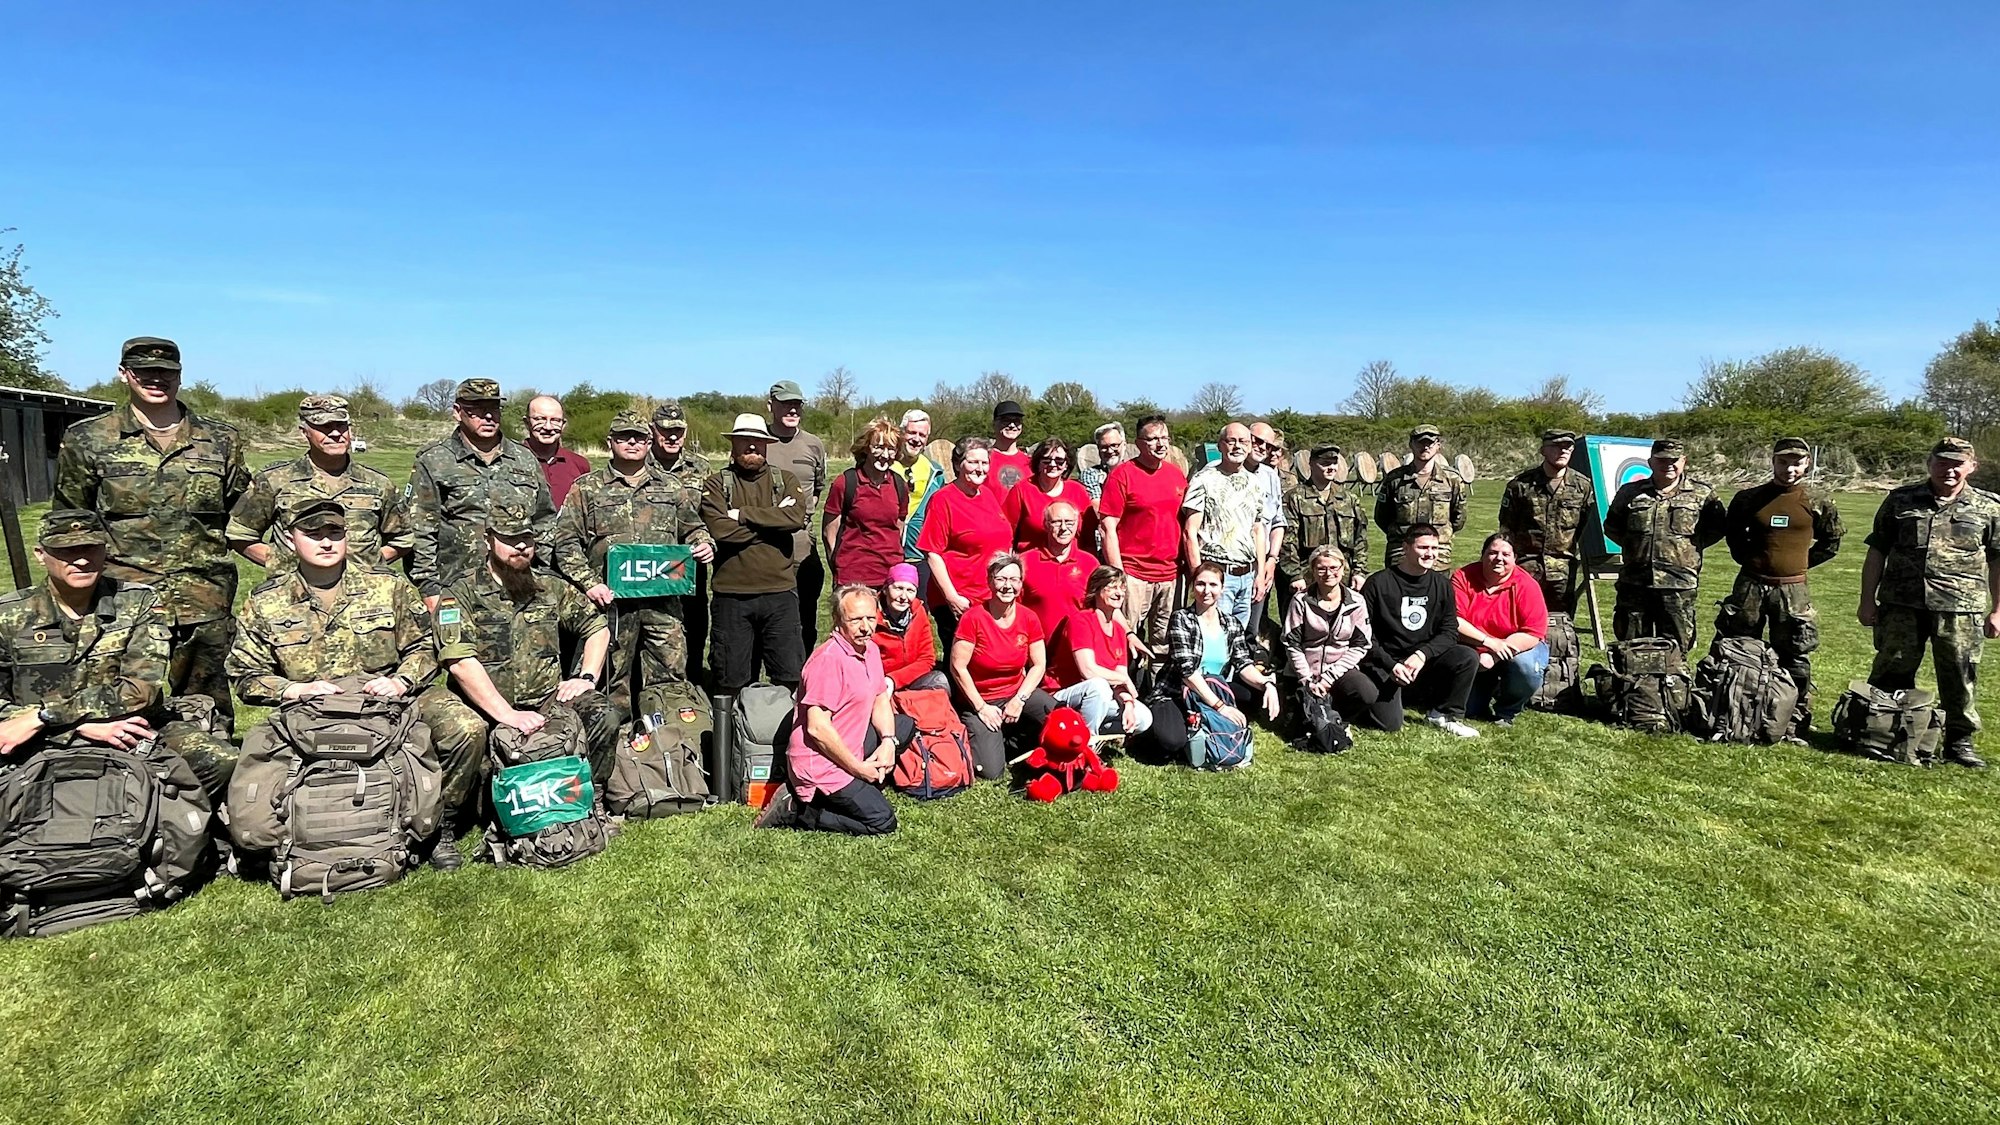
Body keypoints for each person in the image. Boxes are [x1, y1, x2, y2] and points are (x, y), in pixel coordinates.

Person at [226, 500, 484, 870]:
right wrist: (293, 690)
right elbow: (244, 672)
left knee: (466, 729)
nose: (326, 543)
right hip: (312, 710)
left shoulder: (388, 586)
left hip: (392, 699)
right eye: (313, 535)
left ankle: (439, 825)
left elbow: (426, 646)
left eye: (335, 533)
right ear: (290, 537)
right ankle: (290, 833)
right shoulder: (267, 602)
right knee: (260, 758)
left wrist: (401, 681)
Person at [54, 336, 252, 732]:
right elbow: (70, 522)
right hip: (122, 597)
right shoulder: (89, 438)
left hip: (203, 596)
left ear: (180, 376)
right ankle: (116, 786)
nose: (156, 378)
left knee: (208, 711)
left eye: (166, 372)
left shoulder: (220, 440)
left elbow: (243, 516)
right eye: (144, 371)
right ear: (125, 374)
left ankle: (209, 785)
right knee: (113, 706)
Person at [0, 509, 237, 805]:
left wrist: (50, 716)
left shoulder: (138, 602)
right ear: (40, 554)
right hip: (32, 738)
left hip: (131, 729)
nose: (82, 559)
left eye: (91, 548)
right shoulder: (8, 615)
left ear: (106, 550)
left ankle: (174, 832)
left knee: (221, 761)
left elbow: (140, 691)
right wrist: (71, 729)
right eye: (67, 551)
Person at [434, 502, 619, 789]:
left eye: (527, 539)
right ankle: (449, 821)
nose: (520, 546)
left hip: (546, 699)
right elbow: (460, 663)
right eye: (509, 539)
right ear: (488, 540)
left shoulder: (550, 586)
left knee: (602, 714)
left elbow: (597, 626)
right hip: (483, 704)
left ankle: (589, 797)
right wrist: (508, 715)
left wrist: (587, 677)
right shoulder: (460, 593)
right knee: (469, 738)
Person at [553, 410, 717, 717]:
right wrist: (590, 584)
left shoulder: (670, 487)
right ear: (610, 442)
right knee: (610, 680)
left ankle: (664, 749)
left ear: (648, 441)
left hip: (663, 602)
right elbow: (564, 543)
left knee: (669, 677)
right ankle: (615, 751)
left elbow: (694, 527)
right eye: (624, 437)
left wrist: (703, 543)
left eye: (639, 437)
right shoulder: (587, 488)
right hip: (611, 604)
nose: (632, 442)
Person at [1858, 436, 2000, 768]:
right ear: (1929, 463)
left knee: (1959, 676)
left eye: (1957, 463)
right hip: (1901, 604)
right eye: (1942, 461)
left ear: (1971, 467)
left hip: (1960, 608)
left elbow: (1998, 561)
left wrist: (1998, 610)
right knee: (1891, 669)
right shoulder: (1901, 500)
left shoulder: (1990, 507)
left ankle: (1958, 742)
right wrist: (1867, 600)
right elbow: (1877, 550)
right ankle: (1881, 735)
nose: (1949, 469)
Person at [755, 586, 910, 835]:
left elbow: (880, 696)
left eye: (870, 618)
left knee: (904, 726)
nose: (865, 627)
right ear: (838, 621)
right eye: (856, 620)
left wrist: (888, 743)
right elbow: (817, 729)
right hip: (821, 762)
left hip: (852, 740)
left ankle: (860, 783)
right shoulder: (827, 661)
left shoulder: (868, 649)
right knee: (883, 821)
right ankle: (799, 810)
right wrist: (858, 769)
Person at [1719, 437, 1844, 738]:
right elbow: (1734, 536)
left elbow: (1831, 543)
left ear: (1806, 464)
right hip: (1750, 586)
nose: (1790, 468)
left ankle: (1794, 717)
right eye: (1783, 462)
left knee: (1794, 655)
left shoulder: (1819, 500)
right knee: (1739, 647)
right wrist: (1752, 561)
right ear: (1773, 462)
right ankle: (1736, 709)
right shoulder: (1749, 498)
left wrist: (1798, 565)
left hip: (1793, 591)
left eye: (1797, 462)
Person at [406, 378, 558, 611]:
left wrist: (542, 571)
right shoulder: (434, 461)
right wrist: (429, 589)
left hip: (518, 587)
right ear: (457, 412)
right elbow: (420, 531)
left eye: (493, 409)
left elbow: (544, 519)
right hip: (458, 589)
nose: (488, 416)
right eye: (476, 410)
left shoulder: (525, 459)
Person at [227, 394, 412, 573]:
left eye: (341, 426)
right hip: (295, 595)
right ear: (304, 432)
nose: (335, 434)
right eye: (324, 427)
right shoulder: (275, 480)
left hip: (363, 597)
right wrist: (282, 564)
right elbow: (240, 534)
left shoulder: (377, 483)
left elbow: (403, 538)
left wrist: (370, 564)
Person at [701, 413, 812, 696]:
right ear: (733, 445)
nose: (752, 447)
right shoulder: (717, 484)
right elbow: (720, 531)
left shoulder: (784, 479)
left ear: (766, 445)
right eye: (745, 441)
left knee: (788, 675)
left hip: (780, 594)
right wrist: (773, 523)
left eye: (757, 442)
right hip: (732, 597)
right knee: (730, 680)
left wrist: (741, 515)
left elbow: (795, 518)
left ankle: (785, 739)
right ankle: (732, 739)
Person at [1605, 437, 1728, 652]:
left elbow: (1716, 529)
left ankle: (1672, 685)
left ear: (1684, 461)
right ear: (1651, 462)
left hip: (1678, 584)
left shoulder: (1702, 494)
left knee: (1676, 648)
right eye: (1661, 460)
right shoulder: (1630, 492)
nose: (1668, 465)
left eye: (1674, 460)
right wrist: (1637, 548)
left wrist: (1685, 550)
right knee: (1631, 646)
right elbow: (1613, 526)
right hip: (1635, 583)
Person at [1356, 525, 1480, 736]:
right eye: (1422, 547)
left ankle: (1445, 714)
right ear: (1406, 548)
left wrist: (1422, 655)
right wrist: (1391, 665)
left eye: (1434, 548)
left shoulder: (1442, 584)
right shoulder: (1377, 583)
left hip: (1422, 660)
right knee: (1390, 724)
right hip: (1386, 662)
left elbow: (1450, 630)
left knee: (1467, 656)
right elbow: (1364, 636)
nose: (1430, 554)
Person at [948, 553, 1057, 780]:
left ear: (1021, 583)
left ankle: (1013, 737)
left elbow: (1039, 664)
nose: (1008, 586)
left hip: (1016, 693)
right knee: (991, 771)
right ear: (989, 582)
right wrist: (981, 708)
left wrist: (1020, 699)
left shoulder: (1029, 617)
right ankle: (976, 735)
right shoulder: (973, 618)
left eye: (1014, 580)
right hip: (979, 699)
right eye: (1001, 579)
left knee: (1058, 719)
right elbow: (958, 666)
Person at [1163, 562, 1280, 762]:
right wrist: (1220, 707)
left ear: (1222, 588)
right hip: (1180, 690)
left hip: (1216, 685)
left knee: (1255, 693)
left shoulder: (1231, 623)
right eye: (1200, 584)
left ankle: (1211, 726)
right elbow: (1188, 673)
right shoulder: (1181, 619)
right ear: (1193, 587)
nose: (1206, 591)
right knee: (1171, 742)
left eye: (1213, 585)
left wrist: (1267, 683)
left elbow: (1243, 663)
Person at [1100, 414, 1187, 653]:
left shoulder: (1176, 475)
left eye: (1164, 438)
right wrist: (1119, 575)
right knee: (1125, 640)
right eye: (1153, 439)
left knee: (1164, 644)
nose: (1160, 444)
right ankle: (1126, 688)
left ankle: (1159, 690)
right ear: (1139, 444)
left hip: (1170, 574)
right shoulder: (1123, 475)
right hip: (1134, 573)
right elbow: (1108, 527)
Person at [917, 436, 1012, 648]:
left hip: (990, 596)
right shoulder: (943, 499)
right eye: (973, 462)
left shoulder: (987, 495)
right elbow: (932, 553)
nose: (980, 468)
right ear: (959, 465)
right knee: (963, 665)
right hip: (961, 599)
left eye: (985, 462)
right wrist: (952, 598)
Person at [1452, 533, 1550, 726]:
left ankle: (1507, 711)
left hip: (1516, 648)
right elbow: (1455, 621)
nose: (1499, 558)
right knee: (1470, 710)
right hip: (1474, 650)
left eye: (1506, 554)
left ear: (1515, 559)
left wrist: (1496, 653)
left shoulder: (1526, 584)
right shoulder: (1463, 577)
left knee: (1525, 667)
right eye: (1492, 553)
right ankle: (1485, 690)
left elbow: (1533, 632)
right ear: (1482, 556)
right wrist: (1487, 643)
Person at [1281, 545, 1374, 748]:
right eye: (1321, 568)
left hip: (1338, 668)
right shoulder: (1300, 601)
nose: (1328, 574)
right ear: (1312, 571)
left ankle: (1340, 718)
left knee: (1367, 693)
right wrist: (1307, 679)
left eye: (1334, 568)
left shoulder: (1356, 602)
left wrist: (1330, 677)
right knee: (1292, 726)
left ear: (1343, 569)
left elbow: (1360, 645)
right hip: (1304, 670)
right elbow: (1292, 643)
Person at [1497, 428, 1597, 615]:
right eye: (1557, 446)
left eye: (1568, 447)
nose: (1563, 451)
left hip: (1562, 570)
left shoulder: (1582, 486)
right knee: (1520, 618)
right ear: (1543, 450)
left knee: (1560, 626)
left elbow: (1582, 525)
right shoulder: (1521, 485)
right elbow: (1507, 526)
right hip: (1526, 567)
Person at [649, 401, 714, 688]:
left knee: (695, 626)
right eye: (665, 431)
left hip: (689, 564)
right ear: (653, 431)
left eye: (678, 431)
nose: (672, 437)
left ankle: (692, 686)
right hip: (650, 562)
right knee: (653, 627)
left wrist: (707, 543)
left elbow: (710, 513)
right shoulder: (641, 463)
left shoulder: (700, 467)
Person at [1045, 566, 1152, 737]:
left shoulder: (1118, 630)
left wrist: (1128, 703)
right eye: (1112, 587)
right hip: (1061, 694)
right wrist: (1124, 679)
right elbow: (1088, 670)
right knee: (1099, 686)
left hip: (1097, 697)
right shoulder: (1081, 620)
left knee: (1144, 718)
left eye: (1122, 588)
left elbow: (1119, 680)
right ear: (1096, 590)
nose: (1119, 593)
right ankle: (1086, 744)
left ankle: (1078, 731)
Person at [1181, 422, 1268, 628]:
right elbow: (1189, 532)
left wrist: (1260, 574)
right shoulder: (1204, 480)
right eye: (1231, 441)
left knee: (1237, 638)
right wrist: (1198, 575)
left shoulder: (1255, 483)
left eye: (1243, 442)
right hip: (1217, 574)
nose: (1237, 446)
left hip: (1246, 577)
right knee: (1214, 636)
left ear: (1249, 447)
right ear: (1220, 446)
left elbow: (1257, 530)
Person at [765, 380, 828, 650]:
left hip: (801, 540)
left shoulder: (813, 445)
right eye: (786, 404)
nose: (792, 410)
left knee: (804, 614)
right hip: (764, 540)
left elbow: (817, 488)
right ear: (771, 406)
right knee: (766, 612)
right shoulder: (759, 441)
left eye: (797, 405)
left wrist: (801, 515)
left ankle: (804, 675)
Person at [1278, 442, 1370, 617]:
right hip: (1306, 579)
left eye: (1334, 463)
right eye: (1325, 463)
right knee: (1300, 630)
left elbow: (1360, 539)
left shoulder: (1348, 498)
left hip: (1341, 577)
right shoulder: (1295, 498)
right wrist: (1294, 575)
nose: (1331, 467)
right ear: (1311, 464)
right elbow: (1287, 542)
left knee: (1342, 630)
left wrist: (1359, 572)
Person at [822, 418, 909, 588]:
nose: (885, 455)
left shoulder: (899, 485)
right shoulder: (846, 482)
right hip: (853, 578)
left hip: (891, 578)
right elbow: (829, 532)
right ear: (866, 448)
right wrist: (840, 567)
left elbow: (898, 528)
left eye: (891, 449)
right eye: (878, 447)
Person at [1375, 423, 1469, 571]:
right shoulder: (1395, 479)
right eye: (1420, 442)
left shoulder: (1451, 479)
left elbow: (1459, 518)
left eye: (1430, 443)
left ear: (1438, 446)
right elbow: (1382, 517)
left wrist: (1441, 537)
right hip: (1401, 555)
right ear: (1411, 445)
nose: (1425, 447)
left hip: (1438, 557)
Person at [1019, 501, 1100, 637]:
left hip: (1076, 646)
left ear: (1077, 525)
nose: (1063, 528)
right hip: (1035, 646)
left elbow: (1100, 608)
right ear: (1045, 525)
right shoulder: (1025, 561)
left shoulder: (1090, 564)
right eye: (1056, 522)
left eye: (1069, 522)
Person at [1003, 437, 1094, 550]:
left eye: (1059, 461)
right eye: (1046, 460)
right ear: (1038, 463)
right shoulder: (1022, 490)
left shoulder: (1078, 490)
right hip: (1031, 559)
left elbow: (1088, 535)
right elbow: (1006, 532)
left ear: (1067, 464)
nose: (1052, 464)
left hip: (1072, 561)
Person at [874, 563, 944, 691]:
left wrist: (894, 680)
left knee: (940, 681)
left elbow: (927, 658)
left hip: (909, 678)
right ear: (885, 589)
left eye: (910, 590)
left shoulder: (919, 612)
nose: (903, 597)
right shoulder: (871, 616)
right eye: (898, 588)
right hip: (877, 682)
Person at [523, 395, 590, 507]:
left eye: (555, 420)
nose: (548, 427)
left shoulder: (580, 464)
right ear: (527, 422)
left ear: (563, 425)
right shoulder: (509, 461)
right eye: (540, 419)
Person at [892, 409, 944, 520]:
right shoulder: (885, 466)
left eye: (922, 435)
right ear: (901, 433)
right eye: (912, 433)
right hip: (887, 535)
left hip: (919, 536)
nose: (916, 439)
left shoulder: (935, 473)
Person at [989, 400, 1032, 491]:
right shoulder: (983, 459)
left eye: (1017, 421)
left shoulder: (1030, 462)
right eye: (1005, 421)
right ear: (994, 424)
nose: (1012, 425)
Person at [1078, 422, 1124, 507]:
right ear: (1098, 449)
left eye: (1114, 445)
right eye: (1104, 447)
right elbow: (1098, 510)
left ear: (1124, 445)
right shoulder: (1091, 474)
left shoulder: (1135, 471)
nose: (1110, 451)